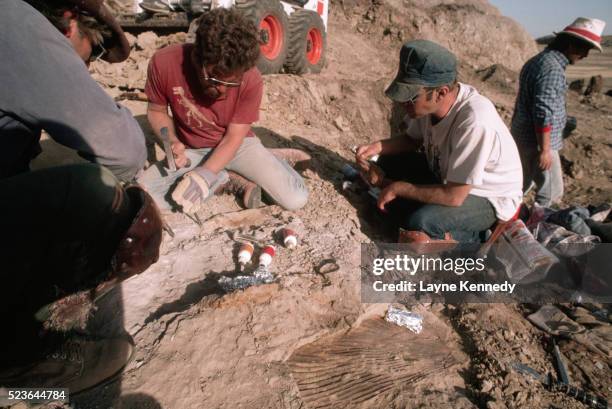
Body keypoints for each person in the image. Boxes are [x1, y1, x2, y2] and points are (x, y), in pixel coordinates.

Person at [137, 8, 309, 213]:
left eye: (233, 82)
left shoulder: (251, 78)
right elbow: (157, 111)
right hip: (193, 150)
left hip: (238, 145)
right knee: (143, 195)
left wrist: (205, 173)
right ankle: (224, 178)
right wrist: (171, 142)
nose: (223, 90)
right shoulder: (164, 62)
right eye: (216, 78)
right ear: (196, 58)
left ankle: (269, 159)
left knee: (295, 199)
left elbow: (234, 137)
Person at [355, 40, 523, 246]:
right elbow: (410, 140)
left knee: (419, 224)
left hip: (485, 196)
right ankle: (406, 208)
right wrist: (377, 148)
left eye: (410, 97)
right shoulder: (428, 107)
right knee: (385, 161)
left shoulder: (475, 122)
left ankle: (478, 238)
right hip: (447, 177)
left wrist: (398, 188)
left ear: (441, 92)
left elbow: (455, 196)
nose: (403, 103)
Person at [0, 0, 147, 182]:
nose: (88, 66)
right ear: (69, 23)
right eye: (94, 52)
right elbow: (125, 154)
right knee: (97, 189)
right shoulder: (20, 26)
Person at [511, 17, 606, 207]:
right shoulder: (552, 69)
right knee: (552, 194)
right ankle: (539, 230)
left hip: (523, 137)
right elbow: (543, 111)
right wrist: (545, 150)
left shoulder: (538, 60)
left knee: (519, 188)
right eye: (585, 49)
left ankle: (505, 225)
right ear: (571, 45)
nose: (586, 55)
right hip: (539, 144)